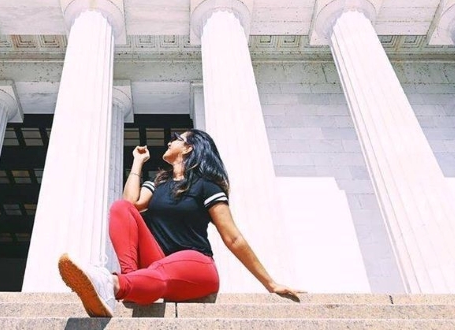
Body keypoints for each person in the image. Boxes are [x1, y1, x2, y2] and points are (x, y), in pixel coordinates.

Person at [57, 129, 302, 317]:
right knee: (120, 208)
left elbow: (233, 237)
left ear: (188, 148)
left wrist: (270, 283)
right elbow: (130, 204)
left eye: (176, 138)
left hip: (195, 266)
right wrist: (138, 162)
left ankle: (111, 283)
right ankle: (132, 282)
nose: (169, 141)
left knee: (162, 272)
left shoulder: (207, 185)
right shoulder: (160, 182)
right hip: (157, 262)